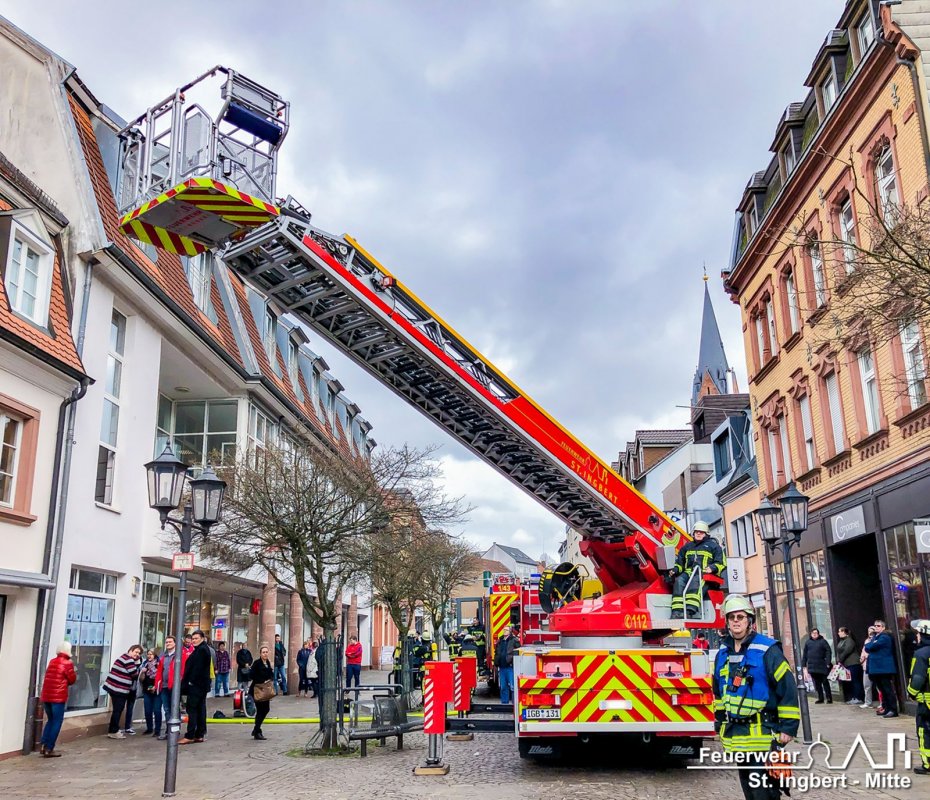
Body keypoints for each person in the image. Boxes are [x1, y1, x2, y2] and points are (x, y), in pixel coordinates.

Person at [712, 595, 799, 800]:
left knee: (765, 794)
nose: (736, 621)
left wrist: (788, 727)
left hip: (764, 735)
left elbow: (787, 688)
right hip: (738, 737)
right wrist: (720, 720)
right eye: (731, 617)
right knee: (750, 792)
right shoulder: (722, 654)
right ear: (726, 622)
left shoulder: (768, 650)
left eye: (740, 616)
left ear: (749, 620)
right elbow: (718, 691)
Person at [668, 521, 725, 619]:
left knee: (695, 582)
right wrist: (675, 570)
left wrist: (712, 568)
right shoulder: (687, 547)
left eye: (701, 532)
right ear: (693, 533)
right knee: (679, 581)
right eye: (696, 532)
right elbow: (680, 563)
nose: (698, 533)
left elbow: (721, 563)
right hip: (689, 572)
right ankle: (677, 611)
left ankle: (690, 610)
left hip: (705, 574)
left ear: (706, 534)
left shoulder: (714, 547)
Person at [39, 641, 77, 757]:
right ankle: (49, 748)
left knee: (50, 720)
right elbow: (72, 680)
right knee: (57, 721)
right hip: (58, 698)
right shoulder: (67, 663)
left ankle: (43, 745)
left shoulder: (52, 661)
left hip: (46, 696)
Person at [103, 644, 143, 740]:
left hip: (113, 687)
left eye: (139, 653)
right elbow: (134, 675)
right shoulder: (128, 660)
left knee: (117, 710)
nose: (137, 655)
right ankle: (113, 731)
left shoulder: (123, 657)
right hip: (118, 689)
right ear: (130, 650)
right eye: (136, 652)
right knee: (118, 710)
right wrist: (139, 666)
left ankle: (113, 729)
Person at [906, 619, 930, 776]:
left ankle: (927, 764)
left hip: (927, 703)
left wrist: (911, 692)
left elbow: (918, 679)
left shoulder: (921, 654)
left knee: (924, 731)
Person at [179, 629, 212, 744]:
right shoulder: (200, 649)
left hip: (196, 686)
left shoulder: (202, 650)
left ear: (202, 639)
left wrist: (190, 682)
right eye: (192, 639)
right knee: (200, 709)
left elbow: (197, 669)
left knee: (192, 709)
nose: (194, 641)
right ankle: (199, 734)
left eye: (196, 638)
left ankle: (190, 735)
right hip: (200, 685)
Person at [864, 619, 899, 717]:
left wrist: (870, 644)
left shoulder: (885, 637)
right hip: (877, 669)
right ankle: (886, 708)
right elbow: (867, 647)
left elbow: (870, 646)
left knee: (887, 690)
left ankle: (893, 709)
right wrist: (870, 644)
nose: (876, 627)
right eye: (875, 625)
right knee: (882, 690)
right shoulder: (876, 637)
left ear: (883, 627)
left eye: (878, 626)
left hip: (884, 668)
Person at [154, 635, 184, 740]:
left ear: (175, 643)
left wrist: (179, 681)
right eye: (166, 642)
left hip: (174, 686)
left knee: (175, 709)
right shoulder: (163, 656)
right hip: (164, 686)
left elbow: (182, 670)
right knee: (167, 709)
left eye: (170, 642)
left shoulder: (179, 655)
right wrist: (157, 683)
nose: (168, 644)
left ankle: (175, 730)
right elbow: (160, 671)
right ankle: (168, 731)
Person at [249, 644, 275, 740]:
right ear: (260, 654)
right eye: (263, 652)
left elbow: (271, 673)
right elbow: (251, 675)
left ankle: (256, 729)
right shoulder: (257, 663)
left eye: (266, 652)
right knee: (260, 710)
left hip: (266, 690)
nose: (265, 654)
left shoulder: (267, 662)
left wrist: (270, 678)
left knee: (266, 709)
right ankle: (257, 731)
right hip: (257, 690)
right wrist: (261, 680)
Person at [802, 628, 833, 704]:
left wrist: (828, 662)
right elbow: (805, 654)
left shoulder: (823, 641)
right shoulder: (808, 642)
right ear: (811, 634)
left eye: (816, 633)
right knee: (817, 683)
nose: (814, 634)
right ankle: (820, 698)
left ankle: (829, 698)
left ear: (818, 634)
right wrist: (804, 665)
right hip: (813, 666)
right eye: (813, 633)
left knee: (825, 682)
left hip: (822, 665)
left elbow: (828, 651)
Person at [835, 627, 864, 704]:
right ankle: (852, 697)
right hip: (846, 664)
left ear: (845, 632)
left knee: (855, 681)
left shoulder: (849, 641)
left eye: (840, 631)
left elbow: (846, 651)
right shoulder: (841, 641)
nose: (838, 633)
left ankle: (858, 697)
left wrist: (840, 660)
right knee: (849, 682)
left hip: (853, 663)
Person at [140, 648, 162, 735]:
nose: (149, 656)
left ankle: (157, 730)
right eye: (148, 654)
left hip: (157, 690)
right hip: (146, 690)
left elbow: (160, 676)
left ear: (155, 655)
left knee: (157, 710)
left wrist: (155, 686)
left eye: (151, 654)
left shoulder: (159, 664)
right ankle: (149, 728)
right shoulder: (144, 664)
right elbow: (141, 679)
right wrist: (142, 672)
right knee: (148, 710)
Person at [495, 626, 518, 704]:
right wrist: (496, 661)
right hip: (502, 667)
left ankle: (515, 703)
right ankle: (504, 703)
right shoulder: (500, 641)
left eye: (506, 630)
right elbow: (497, 652)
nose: (504, 631)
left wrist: (512, 659)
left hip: (510, 667)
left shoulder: (514, 640)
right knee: (503, 687)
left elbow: (518, 650)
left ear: (510, 631)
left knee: (513, 686)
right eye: (504, 630)